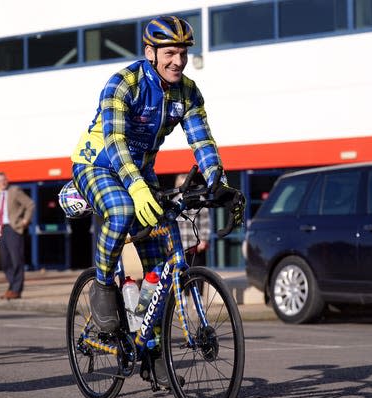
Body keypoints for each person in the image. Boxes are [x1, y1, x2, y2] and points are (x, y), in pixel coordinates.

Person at [69, 16, 244, 334]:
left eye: (183, 54)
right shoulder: (123, 83)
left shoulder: (188, 93)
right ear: (150, 52)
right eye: (170, 54)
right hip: (98, 164)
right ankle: (103, 285)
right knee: (122, 211)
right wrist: (135, 185)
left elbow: (201, 140)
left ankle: (153, 345)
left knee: (161, 261)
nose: (178, 62)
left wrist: (219, 182)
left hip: (142, 171)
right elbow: (115, 141)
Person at [0, 172, 34, 300]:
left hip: (14, 228)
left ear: (7, 180)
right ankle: (12, 287)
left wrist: (25, 220)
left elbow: (30, 204)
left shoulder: (15, 190)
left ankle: (16, 290)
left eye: (3, 180)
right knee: (5, 262)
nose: (2, 183)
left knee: (16, 260)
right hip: (2, 230)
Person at [174, 173, 211, 266]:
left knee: (198, 273)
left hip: (196, 244)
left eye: (187, 185)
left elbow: (205, 221)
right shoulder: (174, 202)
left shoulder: (199, 199)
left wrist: (203, 240)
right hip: (180, 245)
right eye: (182, 186)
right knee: (183, 275)